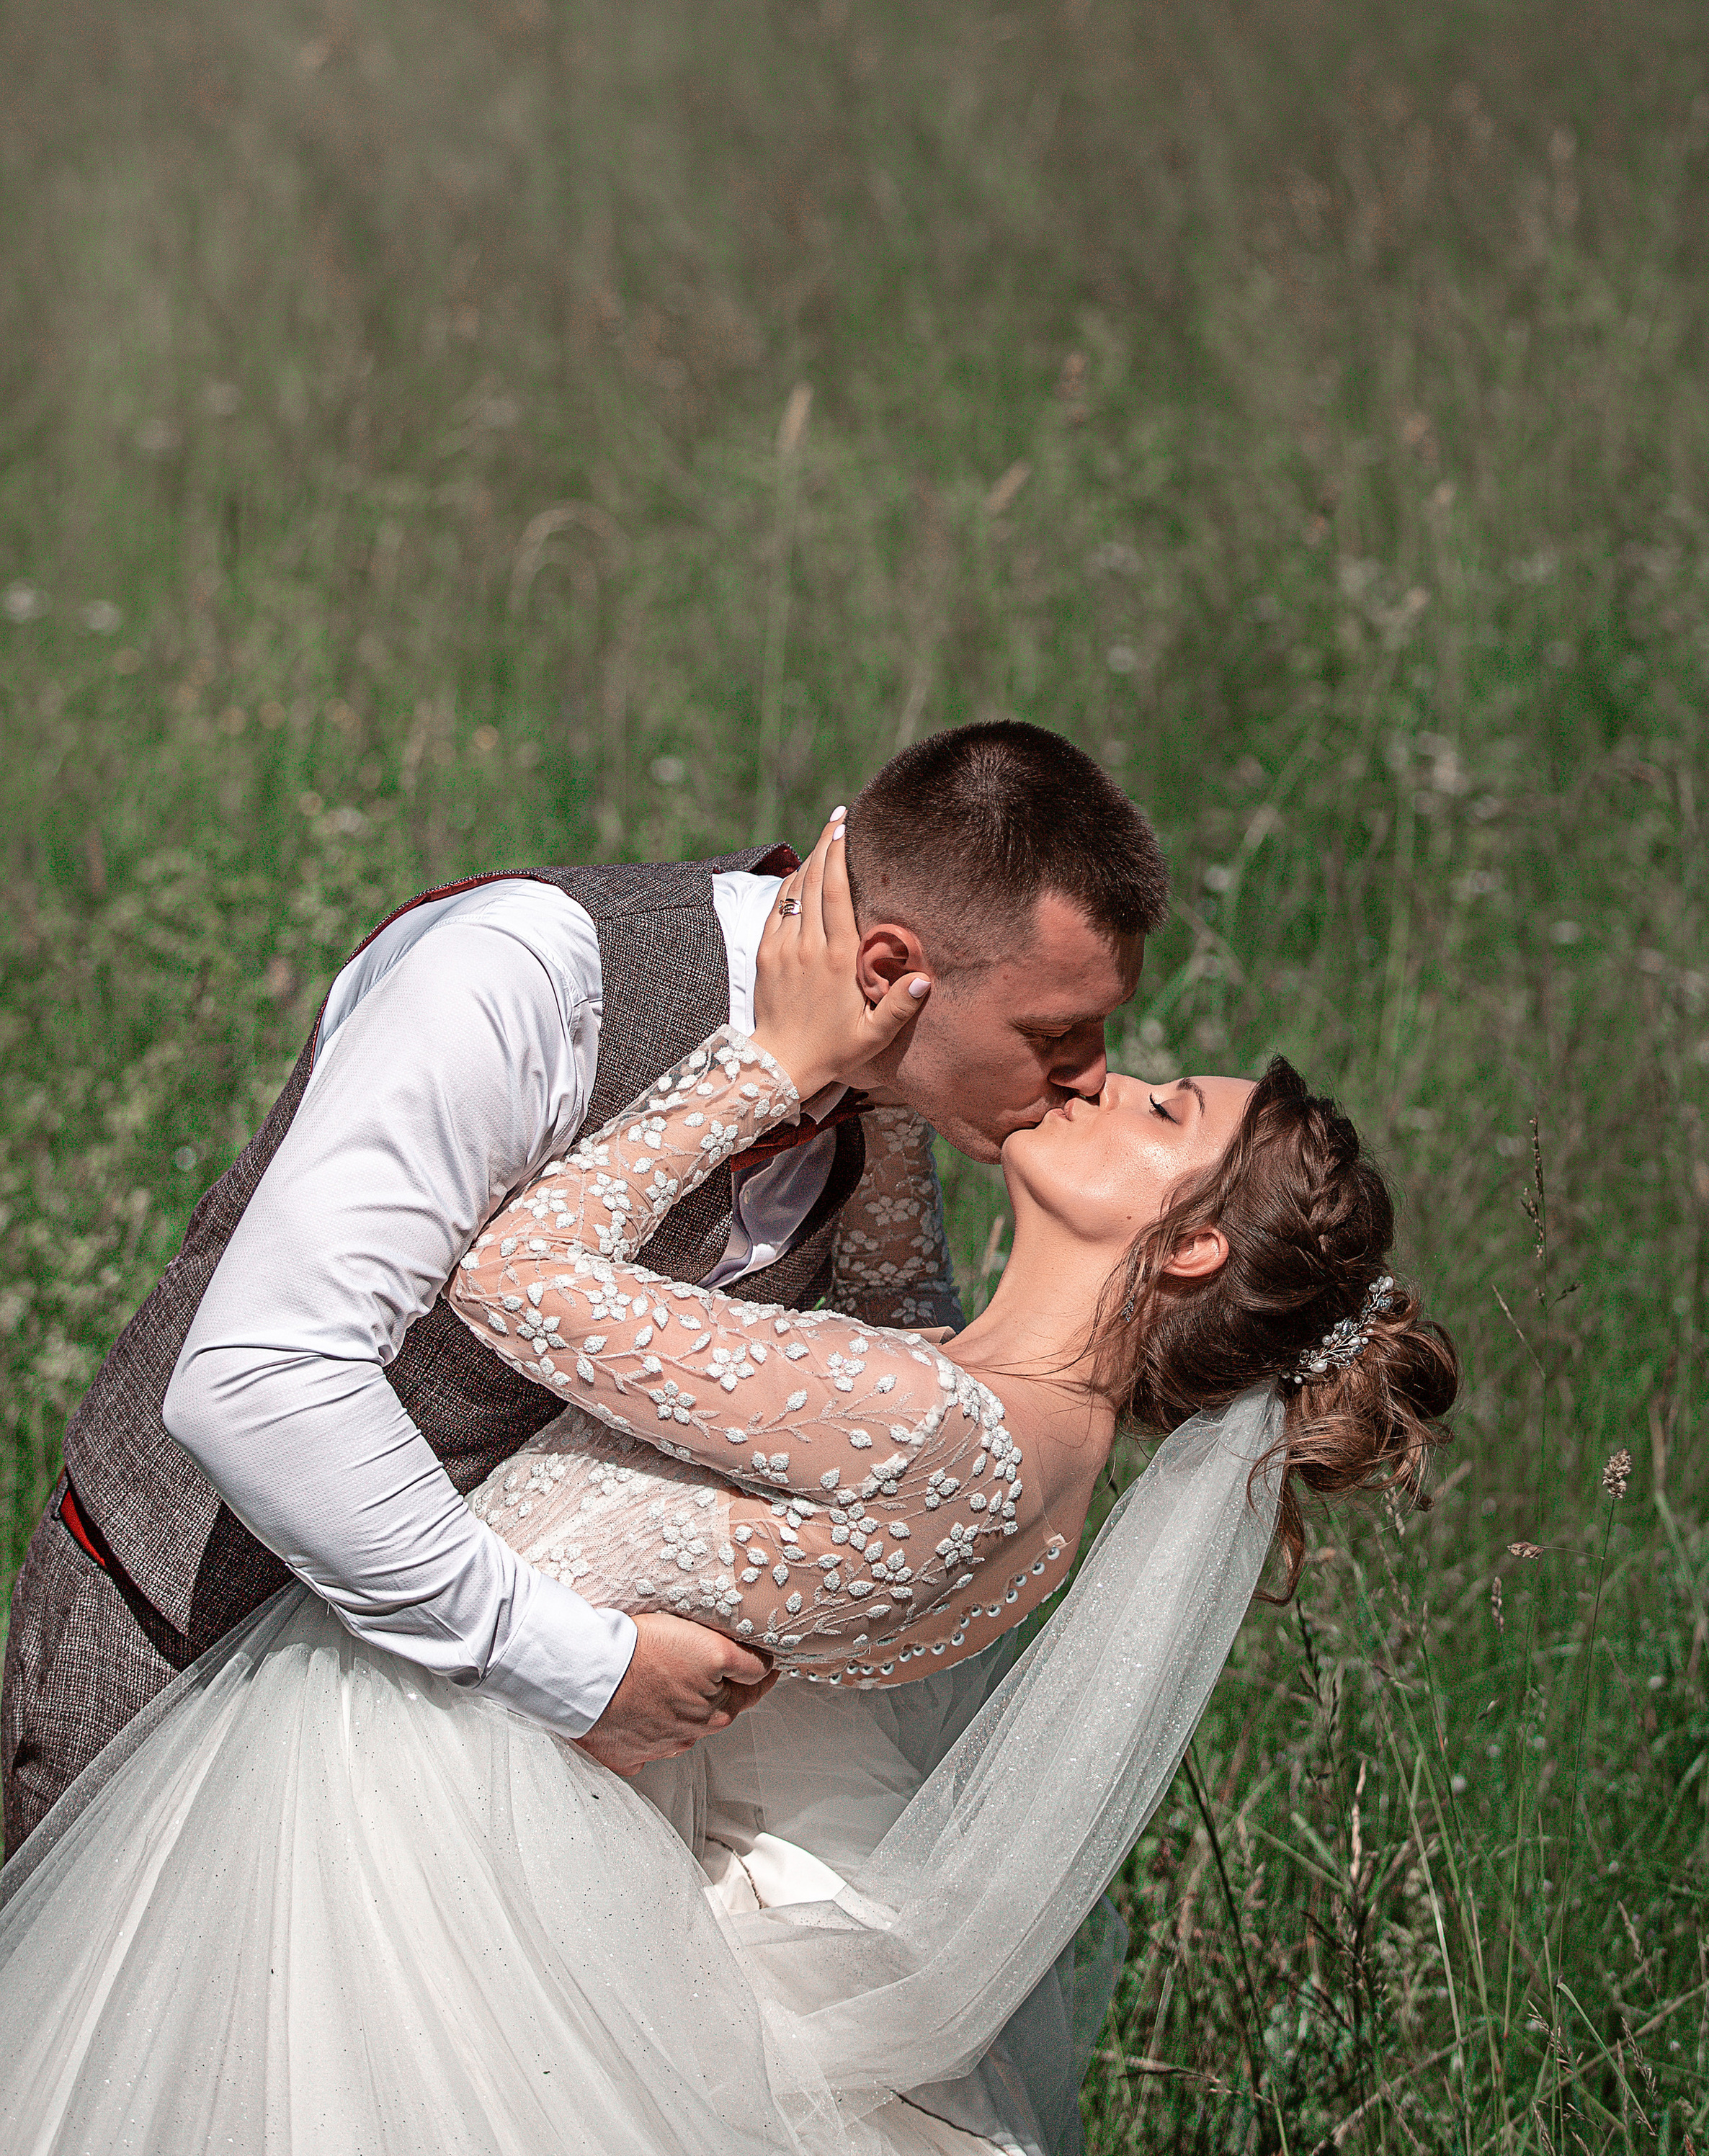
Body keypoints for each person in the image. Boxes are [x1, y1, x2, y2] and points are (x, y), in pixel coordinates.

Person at [0, 818, 1457, 2156]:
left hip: (404, 1816)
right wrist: (890, 1061)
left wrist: (771, 1063)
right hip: (518, 1811)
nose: (1093, 1076)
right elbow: (884, 1304)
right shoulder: (1002, 1432)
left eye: (1155, 1108)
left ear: (1187, 1245)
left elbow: (513, 1277)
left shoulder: (926, 1425)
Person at [1, 721, 1165, 1851]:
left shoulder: (888, 1104)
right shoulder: (530, 980)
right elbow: (263, 1377)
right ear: (890, 971)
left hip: (467, 1781)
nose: (1092, 1073)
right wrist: (579, 1668)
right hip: (180, 1640)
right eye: (1056, 1032)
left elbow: (871, 1383)